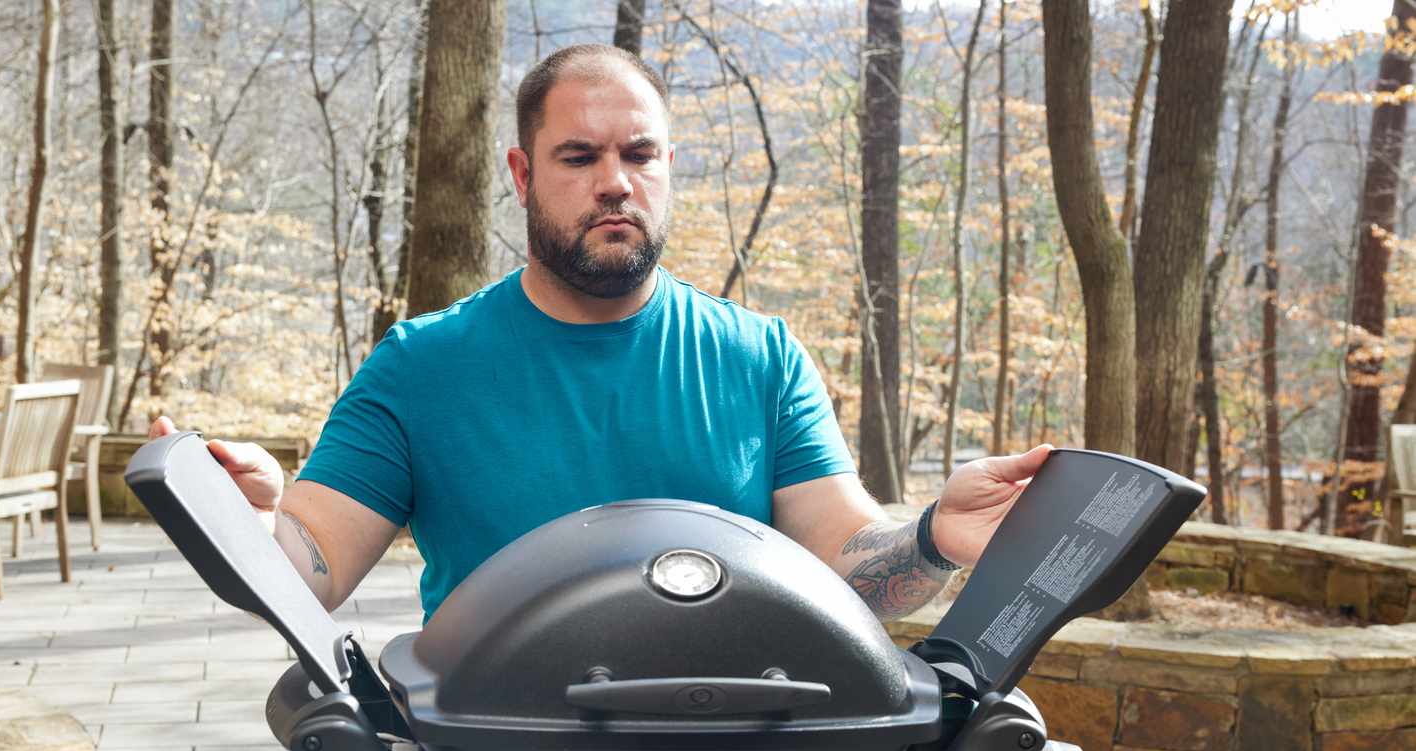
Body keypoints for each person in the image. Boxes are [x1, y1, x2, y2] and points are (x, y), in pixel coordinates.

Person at [149, 43, 1051, 623]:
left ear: (670, 165)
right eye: (579, 157)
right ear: (522, 173)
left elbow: (850, 566)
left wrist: (934, 536)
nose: (614, 182)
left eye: (639, 154)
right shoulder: (421, 367)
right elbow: (309, 566)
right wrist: (254, 523)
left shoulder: (760, 357)